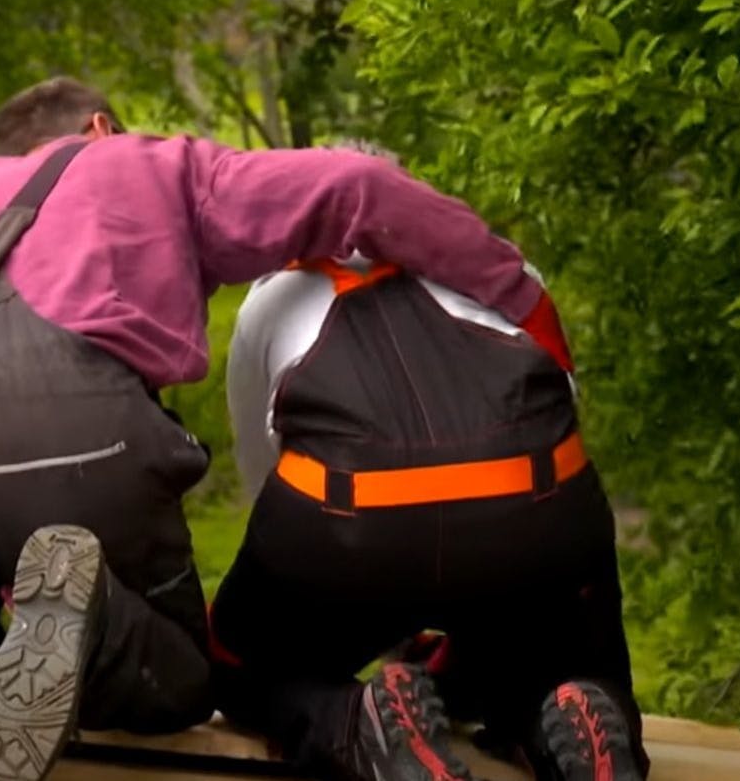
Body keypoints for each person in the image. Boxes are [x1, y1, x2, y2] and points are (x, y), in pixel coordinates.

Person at [0, 79, 568, 781]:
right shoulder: (144, 163)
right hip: (68, 441)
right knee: (185, 677)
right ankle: (89, 620)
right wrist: (518, 300)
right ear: (99, 128)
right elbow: (356, 185)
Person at [208, 142, 650, 781]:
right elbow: (561, 403)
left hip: (351, 526)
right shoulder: (502, 265)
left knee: (241, 665)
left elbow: (262, 477)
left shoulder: (271, 295)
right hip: (531, 515)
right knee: (559, 650)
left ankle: (353, 722)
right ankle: (571, 708)